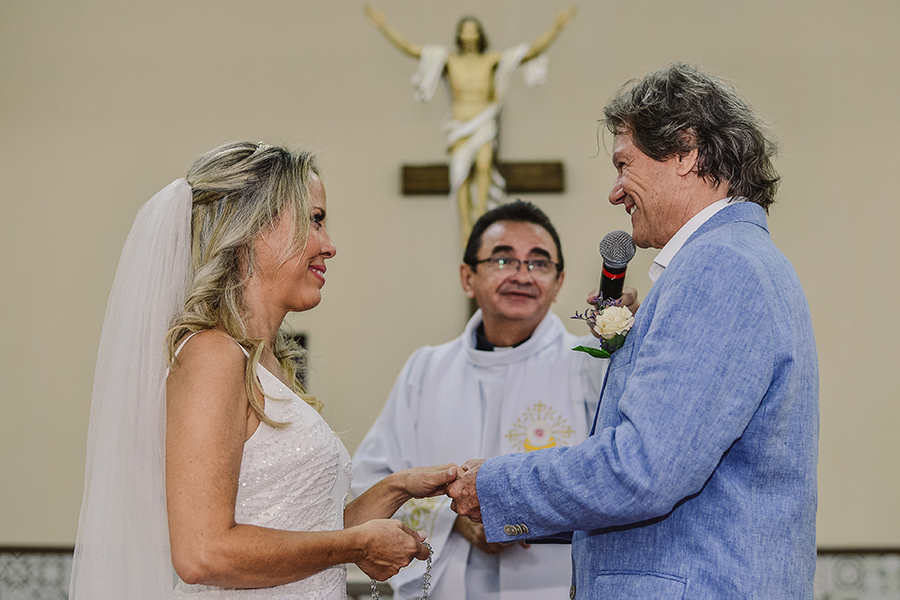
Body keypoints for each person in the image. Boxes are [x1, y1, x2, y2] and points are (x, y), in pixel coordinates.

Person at [448, 63, 819, 599]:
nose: (615, 191)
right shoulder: (743, 259)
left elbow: (646, 467)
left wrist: (498, 486)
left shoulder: (719, 266)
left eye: (624, 163)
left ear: (686, 151)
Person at [69, 141, 459, 600]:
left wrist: (397, 488)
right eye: (315, 219)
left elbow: (299, 534)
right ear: (253, 229)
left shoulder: (266, 364)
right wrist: (356, 543)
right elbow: (202, 554)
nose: (330, 246)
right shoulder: (212, 355)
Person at [352, 200, 638, 600]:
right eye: (503, 261)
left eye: (538, 264)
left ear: (559, 283)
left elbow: (624, 468)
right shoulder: (427, 369)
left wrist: (630, 347)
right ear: (468, 277)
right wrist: (455, 520)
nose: (522, 275)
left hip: (555, 586)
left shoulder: (591, 364)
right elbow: (372, 481)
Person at [364, 5, 576, 246]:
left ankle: (481, 216)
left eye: (473, 30)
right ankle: (466, 225)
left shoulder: (490, 60)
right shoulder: (449, 60)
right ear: (459, 34)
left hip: (483, 122)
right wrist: (383, 26)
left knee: (484, 165)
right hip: (460, 125)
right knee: (460, 176)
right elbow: (412, 50)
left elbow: (528, 53)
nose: (469, 34)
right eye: (465, 30)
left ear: (479, 34)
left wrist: (557, 28)